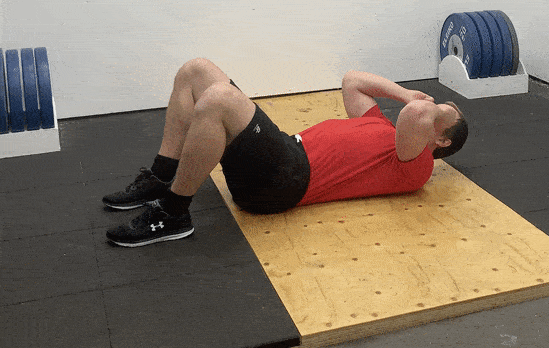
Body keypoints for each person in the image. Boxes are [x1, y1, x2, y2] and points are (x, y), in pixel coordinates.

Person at [103, 58, 468, 247]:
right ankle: (162, 176)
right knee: (196, 70)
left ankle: (173, 213)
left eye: (444, 112)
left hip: (286, 180)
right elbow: (353, 80)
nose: (436, 104)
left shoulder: (415, 165)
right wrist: (405, 92)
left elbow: (416, 115)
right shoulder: (381, 127)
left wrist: (427, 106)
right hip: (282, 153)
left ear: (442, 141)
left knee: (219, 99)